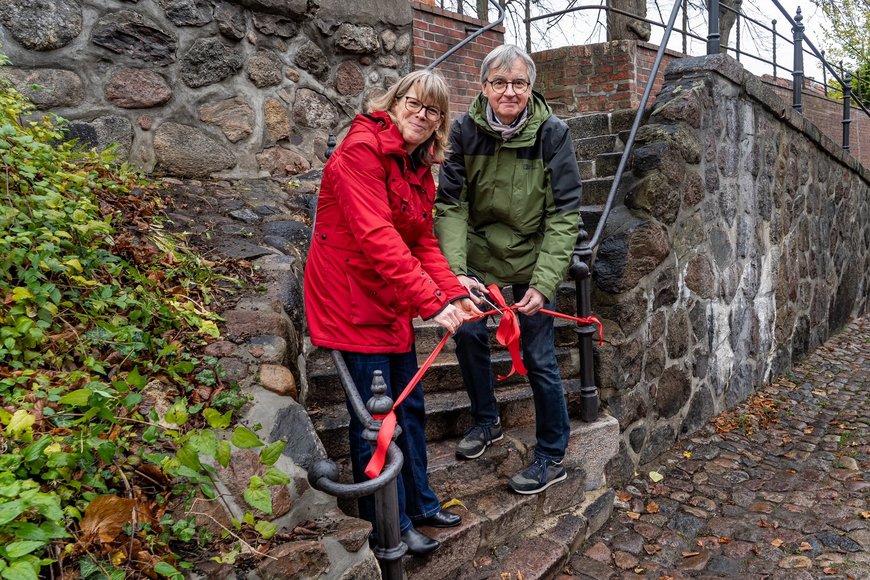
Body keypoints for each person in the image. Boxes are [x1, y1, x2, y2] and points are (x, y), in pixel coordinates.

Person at [303, 69, 480, 556]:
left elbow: (421, 238)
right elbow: (377, 237)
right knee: (376, 422)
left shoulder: (417, 163)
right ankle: (389, 526)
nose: (422, 116)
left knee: (410, 411)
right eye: (414, 103)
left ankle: (420, 502)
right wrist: (432, 301)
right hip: (351, 301)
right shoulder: (360, 151)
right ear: (395, 101)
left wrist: (451, 292)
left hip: (389, 299)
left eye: (434, 111)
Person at [434, 44, 583, 495]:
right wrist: (456, 273)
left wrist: (544, 282)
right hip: (479, 260)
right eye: (499, 83)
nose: (509, 91)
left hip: (533, 259)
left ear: (531, 87)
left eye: (518, 83)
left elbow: (565, 212)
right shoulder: (462, 130)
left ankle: (552, 454)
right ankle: (486, 421)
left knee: (539, 358)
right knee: (468, 335)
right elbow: (451, 204)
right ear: (483, 88)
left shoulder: (553, 133)